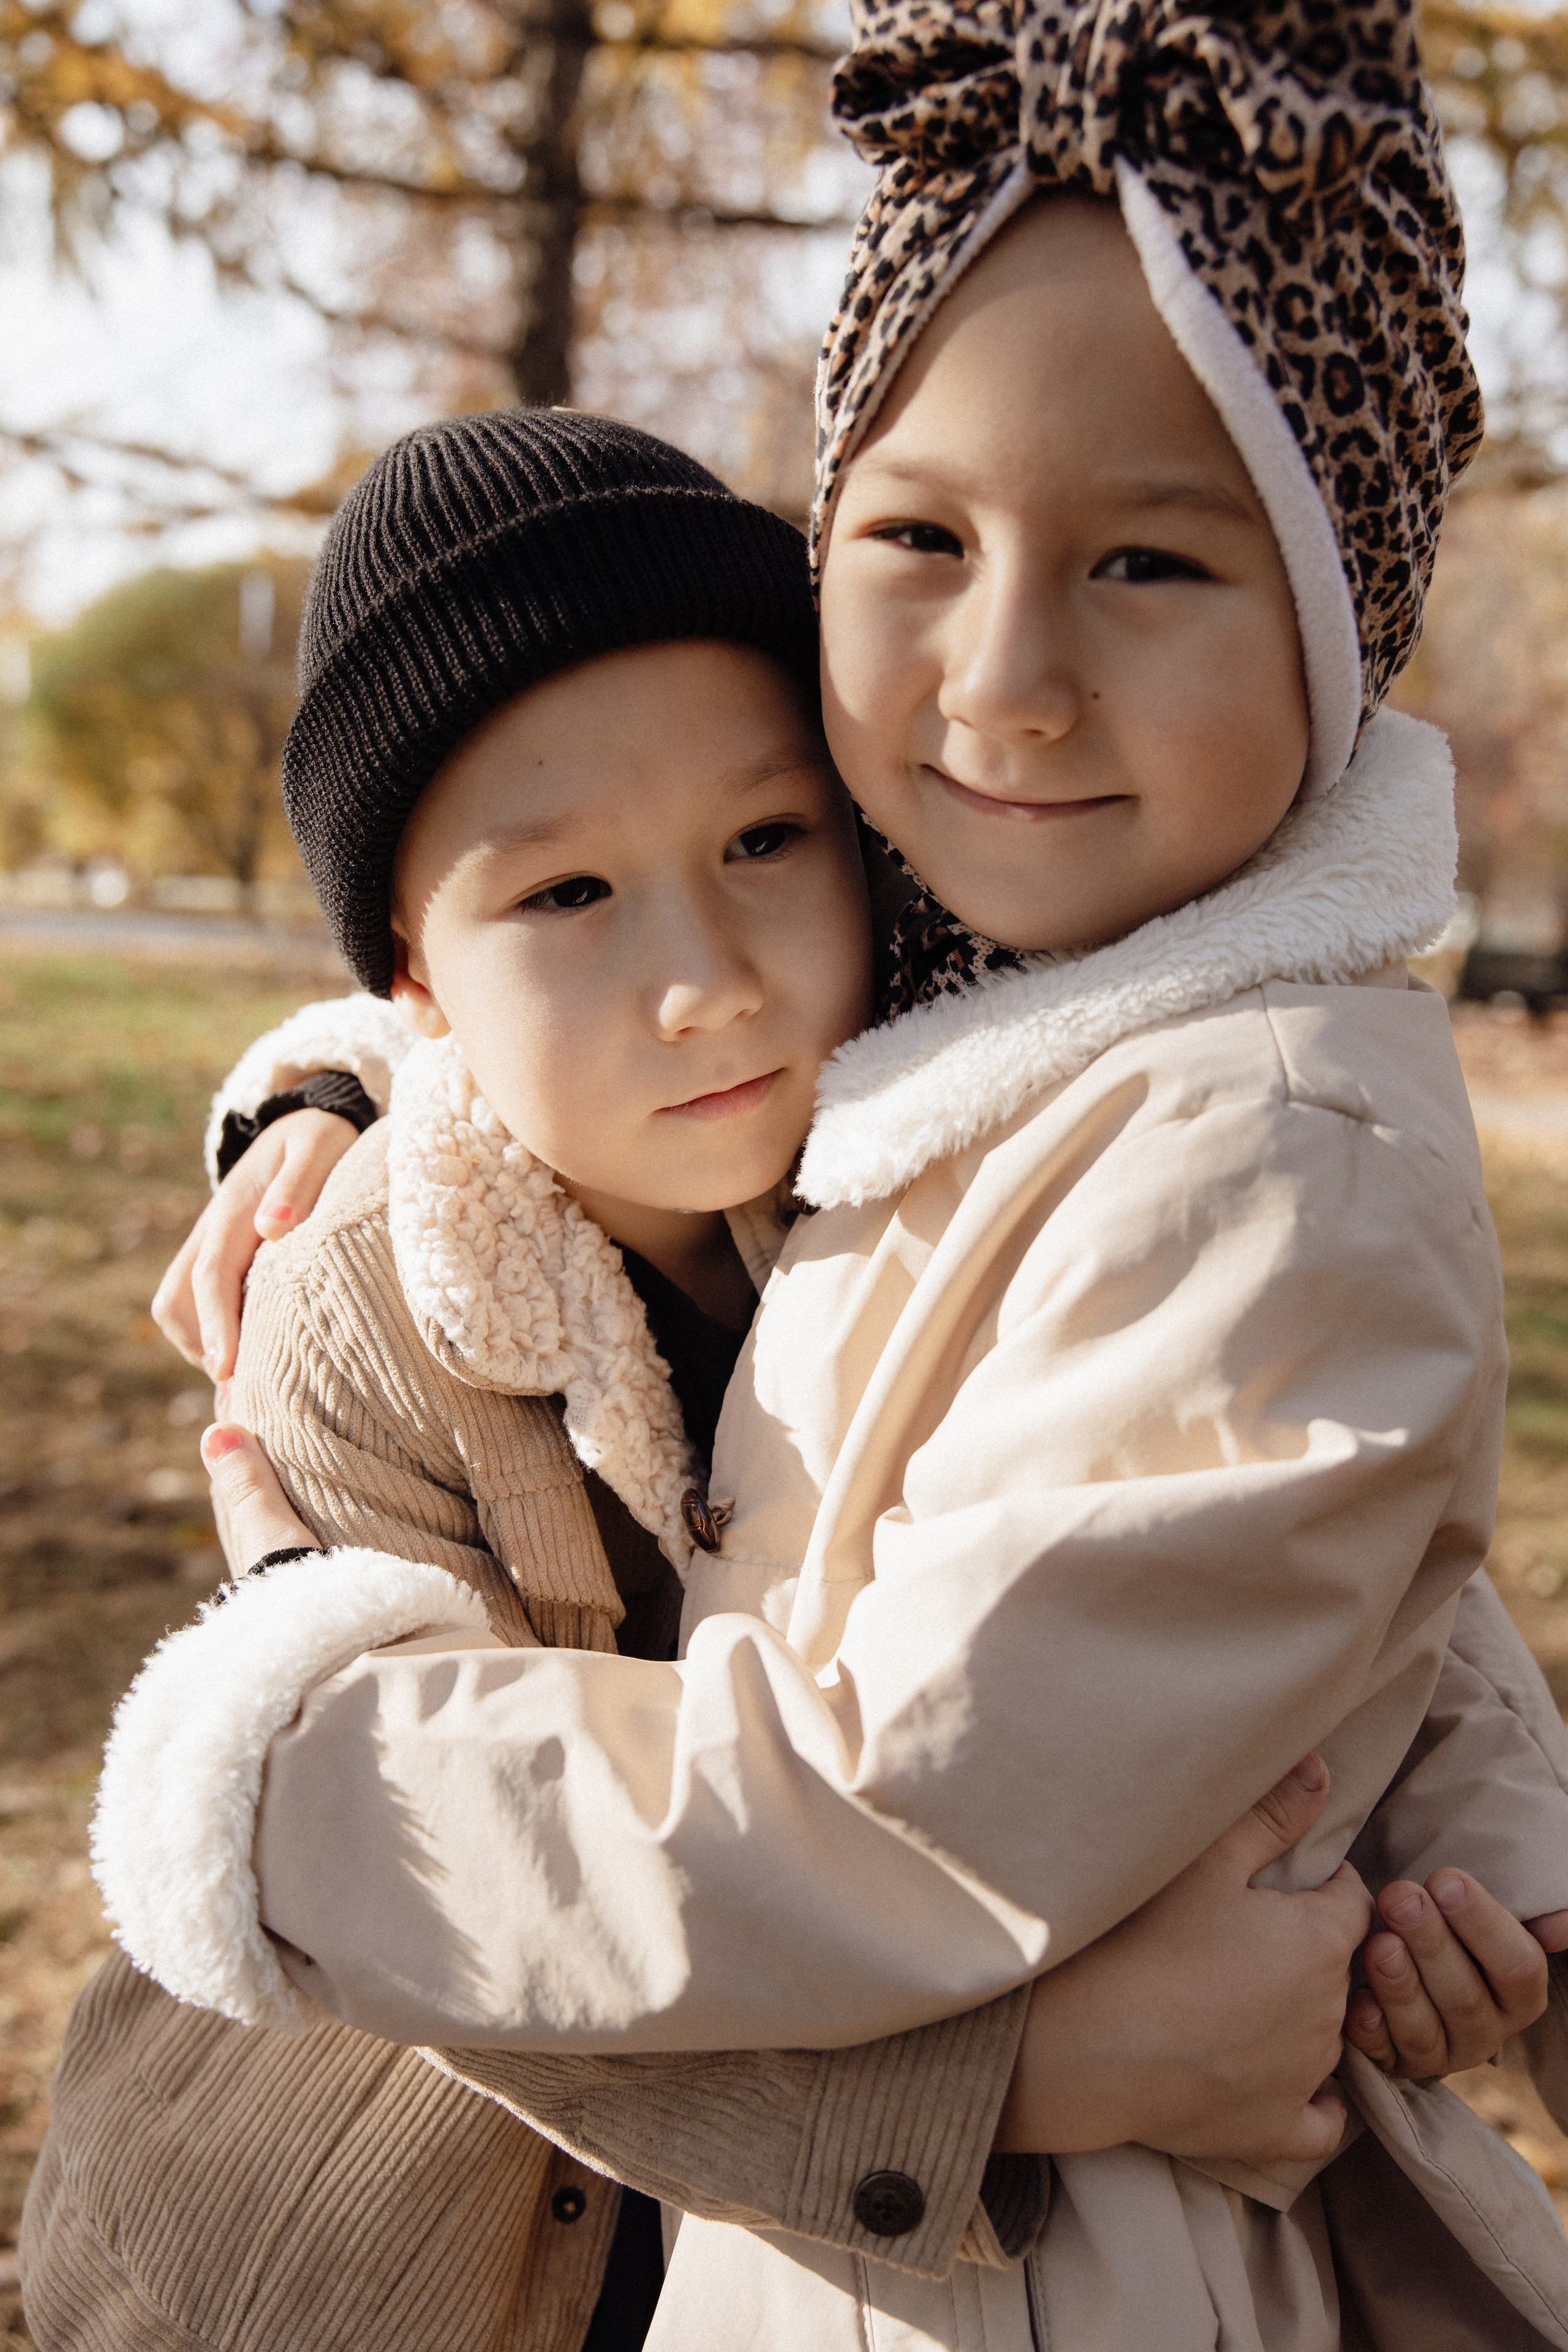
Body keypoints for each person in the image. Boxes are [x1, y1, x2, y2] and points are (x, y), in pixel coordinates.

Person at [74, 6, 1568, 2335]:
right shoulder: (950, 1015)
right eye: (920, 538)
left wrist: (287, 1778)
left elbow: (928, 1770)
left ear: (1338, 614)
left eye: (1154, 562)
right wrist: (333, 1098)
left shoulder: (1227, 1120)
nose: (1009, 680)